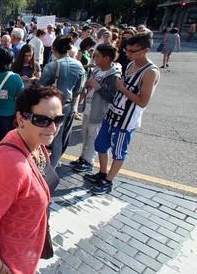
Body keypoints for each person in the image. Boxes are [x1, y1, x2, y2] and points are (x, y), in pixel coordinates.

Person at [0, 85, 63, 274]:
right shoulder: (11, 164)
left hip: (23, 251)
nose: (53, 128)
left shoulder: (35, 143)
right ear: (21, 119)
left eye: (58, 119)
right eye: (42, 120)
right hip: (6, 261)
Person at [87, 33, 160, 194]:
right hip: (112, 113)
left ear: (145, 50)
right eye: (127, 50)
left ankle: (108, 181)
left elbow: (142, 101)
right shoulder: (130, 64)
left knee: (118, 151)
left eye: (132, 51)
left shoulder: (150, 72)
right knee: (100, 144)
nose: (128, 54)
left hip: (126, 120)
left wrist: (122, 89)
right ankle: (102, 173)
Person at [70, 44, 121, 172]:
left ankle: (88, 161)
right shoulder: (97, 70)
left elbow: (112, 97)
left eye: (97, 56)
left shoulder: (113, 75)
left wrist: (97, 86)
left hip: (99, 111)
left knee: (93, 136)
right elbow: (90, 84)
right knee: (85, 134)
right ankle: (83, 157)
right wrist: (88, 84)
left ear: (107, 58)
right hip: (89, 107)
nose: (95, 58)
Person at [38, 36, 85, 169]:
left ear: (54, 49)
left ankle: (49, 166)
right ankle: (54, 163)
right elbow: (79, 88)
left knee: (53, 134)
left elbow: (40, 85)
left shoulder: (53, 65)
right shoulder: (78, 64)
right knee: (62, 135)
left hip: (54, 104)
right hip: (69, 103)